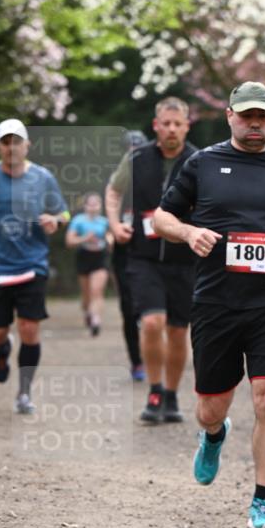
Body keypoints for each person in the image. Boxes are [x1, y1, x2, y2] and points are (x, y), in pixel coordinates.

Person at [152, 81, 265, 528]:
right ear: (230, 116)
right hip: (215, 302)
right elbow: (162, 216)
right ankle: (214, 435)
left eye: (264, 117)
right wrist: (188, 233)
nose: (255, 124)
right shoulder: (203, 163)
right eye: (247, 115)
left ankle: (262, 503)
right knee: (211, 408)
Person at [105, 99, 198, 422]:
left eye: (178, 123)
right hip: (143, 258)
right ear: (156, 125)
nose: (172, 129)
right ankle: (154, 389)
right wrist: (115, 224)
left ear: (187, 125)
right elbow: (114, 192)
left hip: (184, 260)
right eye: (166, 123)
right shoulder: (137, 157)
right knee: (151, 322)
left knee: (176, 331)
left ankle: (171, 395)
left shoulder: (199, 161)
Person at [0, 118, 68, 413]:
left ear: (26, 145)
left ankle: (24, 392)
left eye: (16, 141)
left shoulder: (42, 177)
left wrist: (54, 220)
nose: (11, 147)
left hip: (32, 264)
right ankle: (2, 349)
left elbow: (64, 213)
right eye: (5, 142)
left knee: (29, 328)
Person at [110, 130, 147, 380]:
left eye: (138, 147)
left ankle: (155, 351)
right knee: (128, 309)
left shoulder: (157, 176)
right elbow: (109, 205)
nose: (134, 152)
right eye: (130, 148)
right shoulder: (119, 179)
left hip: (151, 249)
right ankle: (136, 361)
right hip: (124, 249)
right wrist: (113, 228)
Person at [65, 191, 110, 336]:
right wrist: (85, 238)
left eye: (96, 204)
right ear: (85, 206)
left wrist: (109, 241)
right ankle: (87, 312)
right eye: (90, 204)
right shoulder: (78, 220)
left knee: (97, 290)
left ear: (100, 206)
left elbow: (110, 239)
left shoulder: (104, 222)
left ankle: (96, 320)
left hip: (100, 257)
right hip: (84, 257)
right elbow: (70, 241)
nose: (93, 207)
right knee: (86, 295)